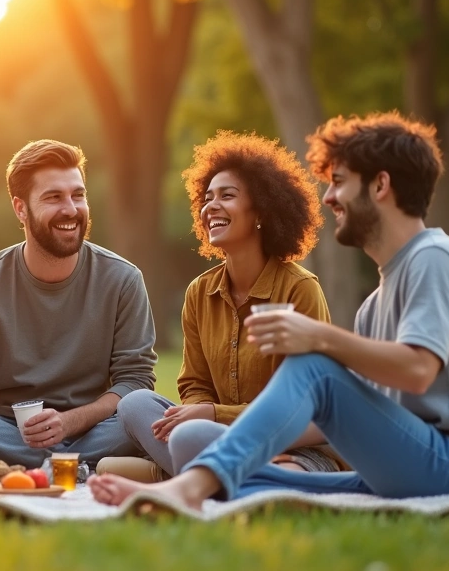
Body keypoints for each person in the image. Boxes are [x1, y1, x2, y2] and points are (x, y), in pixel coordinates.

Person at [89, 112, 449, 508]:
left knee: (312, 369)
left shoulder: (434, 257)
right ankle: (194, 482)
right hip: (408, 463)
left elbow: (417, 369)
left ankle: (185, 487)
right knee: (217, 455)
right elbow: (362, 413)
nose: (330, 197)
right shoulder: (377, 302)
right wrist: (256, 435)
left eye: (339, 181)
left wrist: (317, 339)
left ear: (380, 185)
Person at [101, 132, 344, 482]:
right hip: (214, 436)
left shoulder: (299, 290)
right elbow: (194, 383)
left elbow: (303, 404)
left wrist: (214, 414)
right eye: (207, 197)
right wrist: (200, 412)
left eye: (226, 196)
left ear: (260, 210)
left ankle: (178, 474)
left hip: (290, 443)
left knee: (192, 438)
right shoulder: (200, 293)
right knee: (135, 404)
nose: (210, 206)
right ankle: (233, 477)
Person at [0, 139, 158, 470]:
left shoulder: (122, 280)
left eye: (78, 194)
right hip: (5, 430)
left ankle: (33, 464)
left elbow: (135, 381)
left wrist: (72, 421)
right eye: (53, 197)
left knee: (144, 406)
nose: (71, 209)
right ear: (20, 208)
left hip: (92, 430)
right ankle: (68, 466)